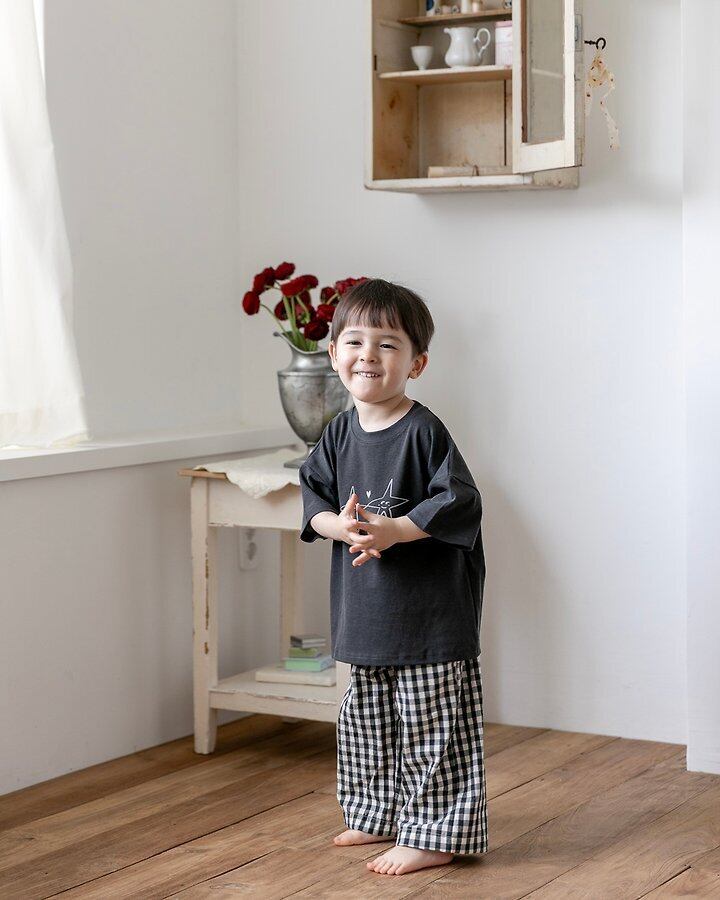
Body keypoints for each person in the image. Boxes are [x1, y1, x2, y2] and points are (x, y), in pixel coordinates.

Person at [298, 278, 488, 877]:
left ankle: (434, 832)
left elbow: (459, 501)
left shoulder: (423, 431)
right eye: (355, 341)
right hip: (367, 611)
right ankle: (377, 812)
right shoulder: (338, 432)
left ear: (417, 363)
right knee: (367, 720)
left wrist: (395, 530)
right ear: (334, 353)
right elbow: (313, 498)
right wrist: (339, 527)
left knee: (432, 725)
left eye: (387, 344)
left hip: (429, 616)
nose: (369, 355)